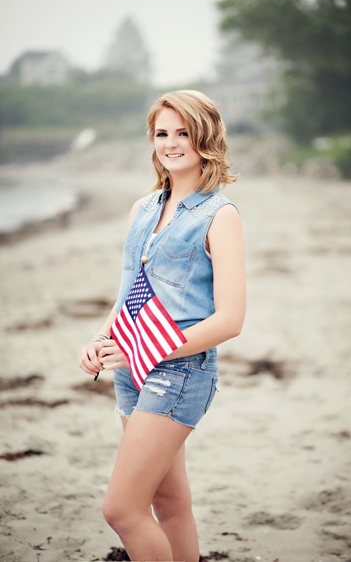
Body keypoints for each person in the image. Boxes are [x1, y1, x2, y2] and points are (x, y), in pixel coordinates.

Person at [78, 90, 245, 561]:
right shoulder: (144, 208)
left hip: (179, 374)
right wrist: (101, 339)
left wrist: (142, 351)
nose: (171, 144)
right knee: (168, 503)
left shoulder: (220, 215)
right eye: (161, 133)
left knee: (121, 509)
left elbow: (231, 320)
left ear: (204, 138)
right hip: (131, 372)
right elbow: (129, 293)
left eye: (183, 133)